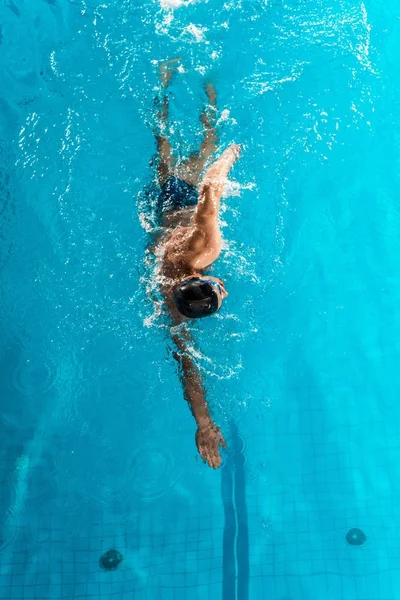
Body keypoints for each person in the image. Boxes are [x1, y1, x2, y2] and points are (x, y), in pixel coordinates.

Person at [149, 58, 241, 468]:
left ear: (208, 282)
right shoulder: (168, 298)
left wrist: (227, 160)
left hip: (183, 197)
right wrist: (203, 422)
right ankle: (164, 86)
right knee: (162, 148)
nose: (226, 288)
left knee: (207, 144)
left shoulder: (206, 250)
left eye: (221, 291)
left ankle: (209, 91)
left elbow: (208, 192)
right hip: (160, 214)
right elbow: (187, 365)